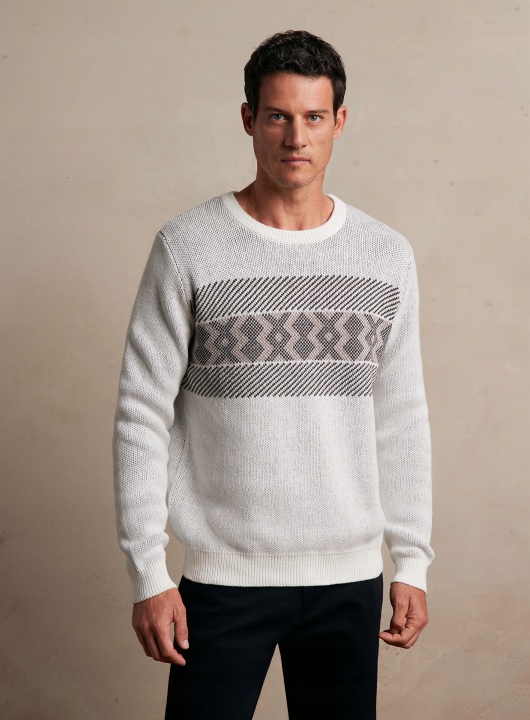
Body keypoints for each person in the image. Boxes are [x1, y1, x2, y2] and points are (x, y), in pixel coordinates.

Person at [112, 29, 434, 720]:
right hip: (223, 581)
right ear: (248, 119)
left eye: (313, 117)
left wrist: (411, 561)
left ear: (339, 121)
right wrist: (148, 573)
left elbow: (401, 416)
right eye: (278, 116)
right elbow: (142, 413)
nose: (296, 137)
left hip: (349, 582)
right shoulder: (188, 247)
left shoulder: (385, 255)